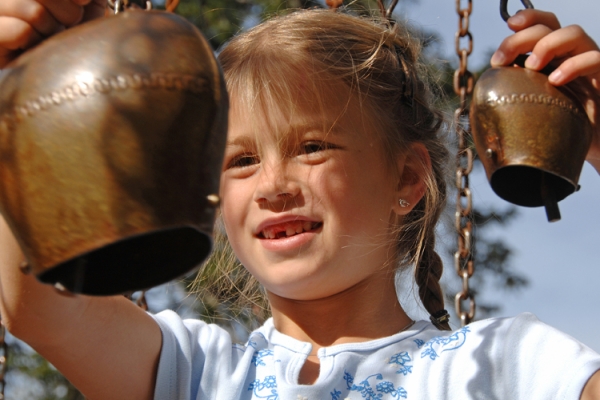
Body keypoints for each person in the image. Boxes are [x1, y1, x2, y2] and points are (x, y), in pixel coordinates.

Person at [0, 1, 599, 399]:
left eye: (312, 147)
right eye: (241, 160)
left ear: (406, 180)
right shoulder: (198, 373)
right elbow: (36, 304)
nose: (274, 184)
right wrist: (25, 89)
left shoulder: (508, 364)